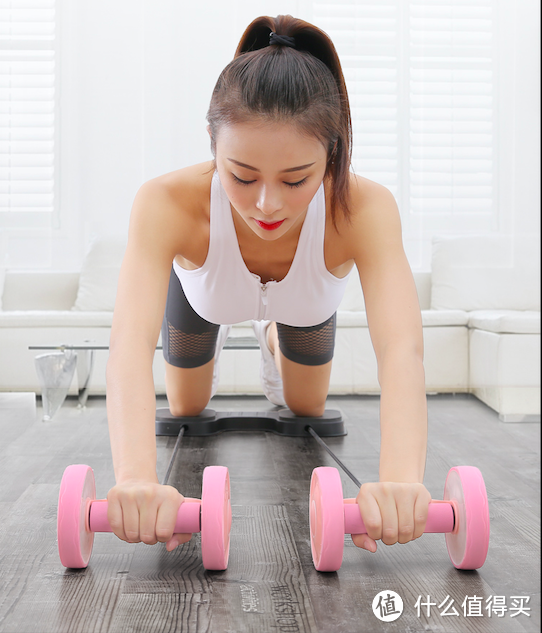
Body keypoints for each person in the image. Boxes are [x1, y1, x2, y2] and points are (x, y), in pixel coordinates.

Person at [106, 15, 431, 557]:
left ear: (331, 153)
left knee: (305, 411)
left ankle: (275, 337)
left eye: (297, 179)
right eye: (242, 175)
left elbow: (401, 348)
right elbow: (128, 346)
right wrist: (137, 479)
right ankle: (250, 332)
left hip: (305, 303)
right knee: (186, 408)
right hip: (204, 300)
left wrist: (401, 480)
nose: (267, 205)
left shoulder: (366, 208)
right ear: (212, 143)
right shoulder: (164, 202)